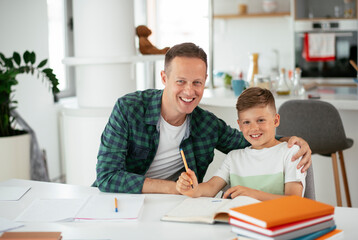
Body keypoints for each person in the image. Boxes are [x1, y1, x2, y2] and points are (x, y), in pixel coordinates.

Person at [95, 42, 312, 194]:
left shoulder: (207, 125)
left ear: (205, 80)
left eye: (197, 82)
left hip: (175, 205)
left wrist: (290, 141)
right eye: (181, 81)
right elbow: (107, 177)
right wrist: (174, 188)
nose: (189, 91)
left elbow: (249, 138)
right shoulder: (129, 109)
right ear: (164, 77)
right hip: (122, 201)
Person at [176, 87, 305, 200]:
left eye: (260, 120)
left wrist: (251, 194)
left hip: (275, 224)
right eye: (247, 122)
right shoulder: (233, 157)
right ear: (240, 125)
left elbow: (293, 201)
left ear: (276, 120)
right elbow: (210, 188)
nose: (254, 128)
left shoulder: (290, 153)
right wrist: (193, 189)